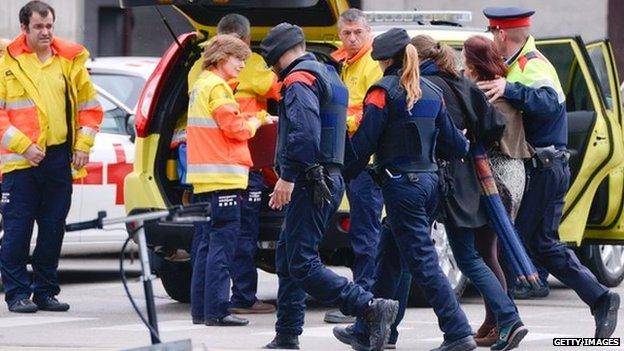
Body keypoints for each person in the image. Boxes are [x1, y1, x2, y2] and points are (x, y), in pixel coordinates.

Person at [478, 7, 620, 338]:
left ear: (501, 34)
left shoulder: (533, 65)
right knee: (523, 242)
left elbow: (549, 102)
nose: (490, 39)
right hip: (540, 167)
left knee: (531, 242)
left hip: (546, 167)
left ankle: (596, 298)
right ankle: (505, 320)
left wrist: (509, 89)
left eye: (491, 33)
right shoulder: (515, 65)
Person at [334, 28, 476, 351]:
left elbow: (363, 145)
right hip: (428, 186)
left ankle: (458, 332)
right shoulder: (430, 91)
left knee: (423, 263)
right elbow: (456, 146)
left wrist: (342, 169)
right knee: (389, 257)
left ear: (384, 61)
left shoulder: (382, 93)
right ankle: (373, 331)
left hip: (401, 188)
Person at [259, 23, 399, 351]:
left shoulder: (298, 80)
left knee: (302, 262)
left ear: (279, 56)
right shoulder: (330, 76)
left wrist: (289, 177)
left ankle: (368, 307)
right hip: (330, 176)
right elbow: (338, 133)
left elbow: (305, 135)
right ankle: (287, 334)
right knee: (288, 254)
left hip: (310, 180)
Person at [416, 34, 532, 348]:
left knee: (469, 258)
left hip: (451, 180)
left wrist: (459, 141)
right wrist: (473, 139)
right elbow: (495, 124)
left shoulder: (431, 88)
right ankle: (504, 319)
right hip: (475, 178)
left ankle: (508, 317)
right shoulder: (462, 84)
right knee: (478, 255)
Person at [0, 0, 103, 313]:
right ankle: (17, 293)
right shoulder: (8, 63)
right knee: (17, 231)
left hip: (58, 158)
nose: (45, 32)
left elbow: (90, 107)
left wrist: (83, 146)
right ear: (24, 28)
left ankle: (46, 292)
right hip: (20, 162)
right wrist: (23, 145)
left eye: (49, 26)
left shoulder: (68, 62)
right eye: (38, 27)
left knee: (52, 229)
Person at [187, 34, 273, 326]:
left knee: (205, 246)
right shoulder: (218, 88)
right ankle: (218, 311)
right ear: (223, 57)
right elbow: (236, 129)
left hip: (204, 179)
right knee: (223, 245)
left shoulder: (200, 84)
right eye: (239, 60)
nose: (241, 66)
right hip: (224, 176)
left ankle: (201, 310)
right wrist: (257, 120)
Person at [216, 13, 279, 316]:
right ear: (245, 40)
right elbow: (280, 90)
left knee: (215, 234)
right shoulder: (252, 64)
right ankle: (243, 296)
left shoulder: (201, 70)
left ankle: (213, 298)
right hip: (248, 159)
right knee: (244, 232)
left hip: (214, 164)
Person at [325, 7, 384, 324]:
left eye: (357, 32)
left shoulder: (372, 63)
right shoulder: (343, 62)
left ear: (368, 31)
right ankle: (363, 297)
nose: (351, 38)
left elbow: (368, 112)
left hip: (365, 160)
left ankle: (366, 302)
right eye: (346, 33)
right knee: (361, 234)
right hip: (347, 156)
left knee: (365, 234)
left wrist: (340, 122)